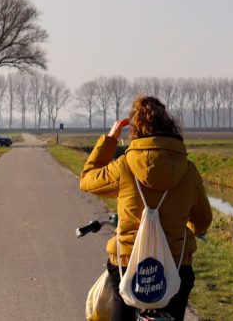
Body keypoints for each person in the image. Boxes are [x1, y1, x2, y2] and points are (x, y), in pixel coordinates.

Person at [80, 95, 213, 321]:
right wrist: (185, 227)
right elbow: (203, 220)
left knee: (121, 301)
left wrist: (110, 139)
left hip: (127, 263)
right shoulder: (188, 170)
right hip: (176, 264)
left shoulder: (124, 166)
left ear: (135, 130)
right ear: (169, 125)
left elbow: (87, 179)